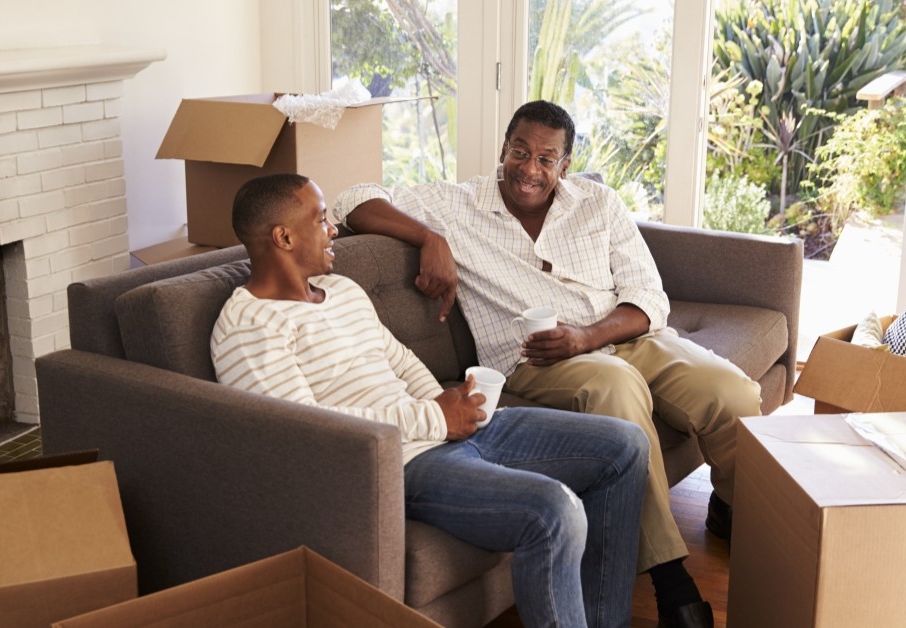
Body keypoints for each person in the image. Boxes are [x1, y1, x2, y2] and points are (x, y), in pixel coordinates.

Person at [335, 100, 760, 628]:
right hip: (538, 359)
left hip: (619, 333)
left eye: (546, 158)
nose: (529, 169)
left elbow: (649, 294)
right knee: (617, 389)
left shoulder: (597, 202)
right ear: (503, 149)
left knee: (732, 392)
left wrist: (589, 335)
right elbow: (351, 199)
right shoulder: (453, 204)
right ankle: (671, 578)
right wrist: (430, 237)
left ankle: (731, 507)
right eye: (520, 152)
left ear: (565, 163)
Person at [211, 173, 651, 628]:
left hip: (443, 430)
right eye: (321, 220)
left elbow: (399, 359)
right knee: (553, 512)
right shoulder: (249, 325)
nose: (333, 229)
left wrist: (449, 404)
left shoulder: (341, 290)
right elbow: (307, 429)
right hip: (402, 463)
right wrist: (435, 419)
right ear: (283, 237)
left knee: (625, 445)